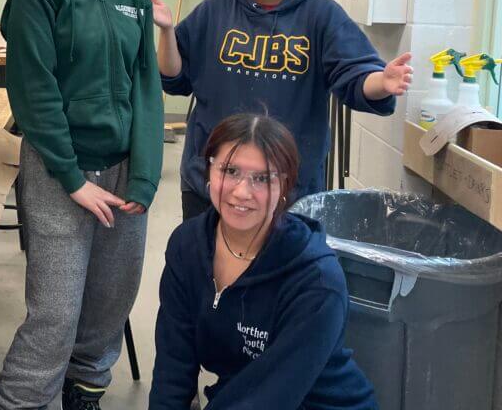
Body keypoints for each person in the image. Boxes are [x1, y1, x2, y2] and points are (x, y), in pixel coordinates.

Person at [0, 0, 164, 410]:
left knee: (110, 303)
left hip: (120, 172)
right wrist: (71, 178)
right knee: (56, 313)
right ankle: (20, 402)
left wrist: (143, 178)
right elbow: (33, 92)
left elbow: (146, 90)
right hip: (58, 169)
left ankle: (85, 390)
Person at [152, 0, 412, 220]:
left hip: (289, 188)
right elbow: (175, 77)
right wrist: (166, 31)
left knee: (279, 269)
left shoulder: (320, 14)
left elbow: (354, 76)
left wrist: (381, 82)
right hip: (212, 185)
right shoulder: (214, 11)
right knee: (208, 267)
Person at [149, 114, 379, 410]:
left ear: (284, 186)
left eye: (262, 178)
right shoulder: (187, 246)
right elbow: (173, 365)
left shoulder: (316, 281)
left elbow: (270, 398)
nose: (242, 191)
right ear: (209, 171)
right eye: (230, 170)